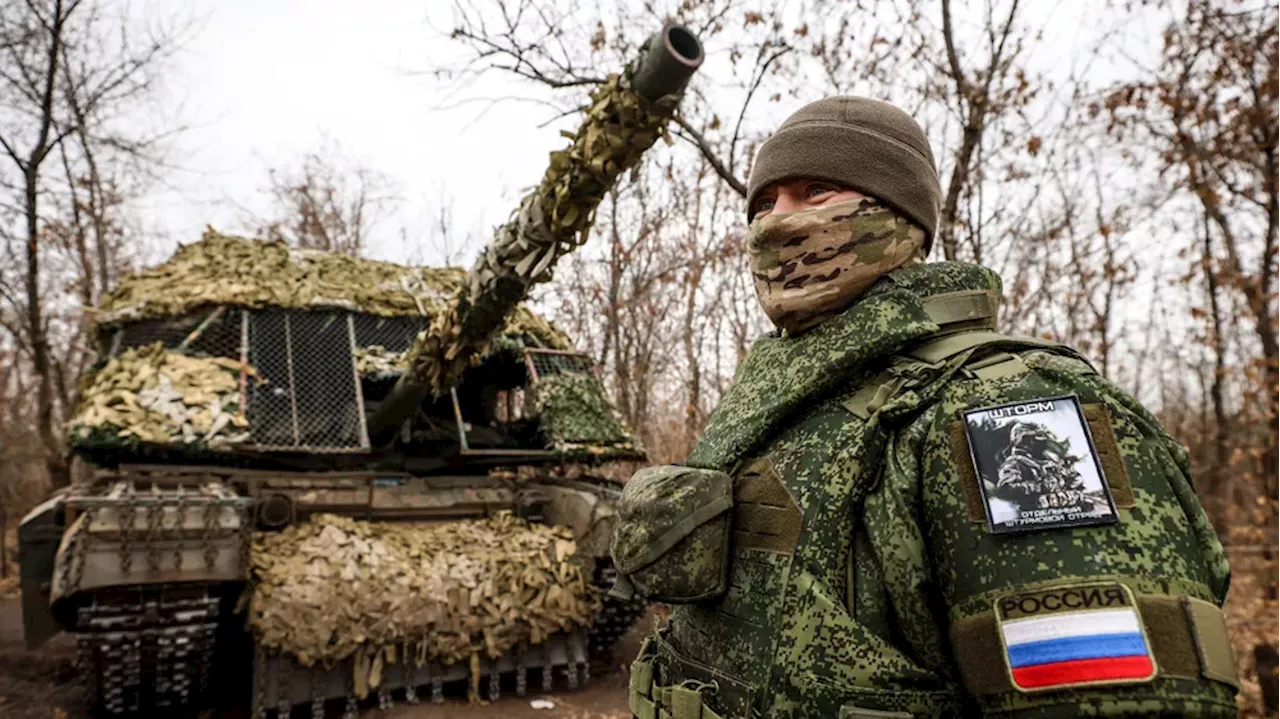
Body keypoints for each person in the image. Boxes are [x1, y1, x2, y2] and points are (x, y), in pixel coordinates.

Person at [612, 97, 1238, 718]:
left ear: (895, 209)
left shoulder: (1009, 408)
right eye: (764, 203)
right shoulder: (784, 401)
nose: (777, 221)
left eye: (814, 190)